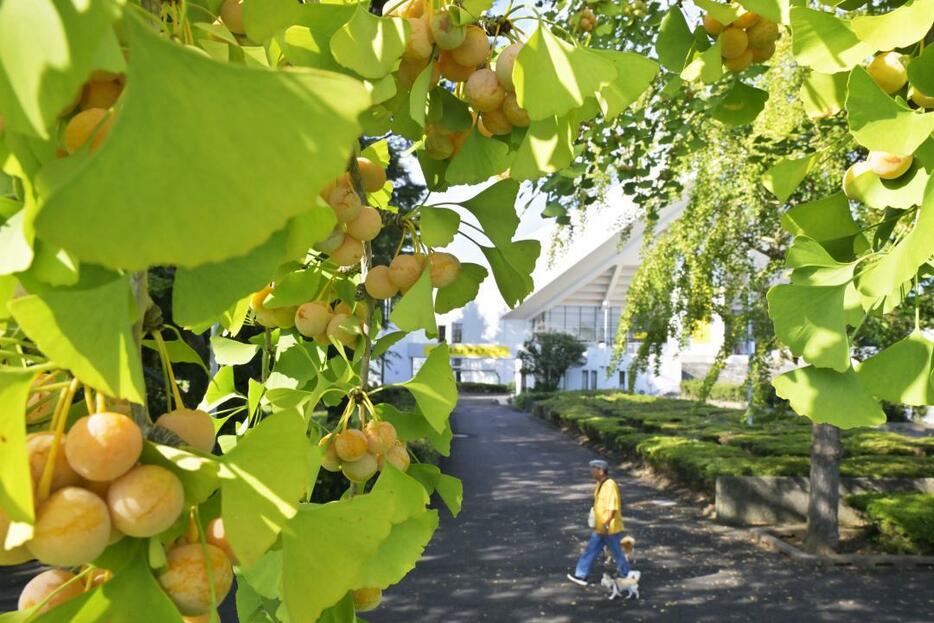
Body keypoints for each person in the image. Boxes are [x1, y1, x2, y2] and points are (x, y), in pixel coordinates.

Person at [567, 459, 630, 586]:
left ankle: (626, 575)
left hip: (609, 528)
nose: (592, 472)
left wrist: (606, 524)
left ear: (601, 471)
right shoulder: (600, 483)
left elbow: (612, 508)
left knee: (616, 552)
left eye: (594, 469)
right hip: (601, 527)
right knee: (591, 550)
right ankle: (581, 575)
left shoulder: (610, 485)